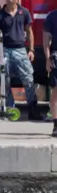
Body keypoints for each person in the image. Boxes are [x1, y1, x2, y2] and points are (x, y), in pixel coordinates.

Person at [0, 0, 41, 121]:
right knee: (6, 81)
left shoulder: (24, 12)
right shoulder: (0, 15)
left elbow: (29, 31)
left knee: (28, 79)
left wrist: (31, 50)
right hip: (6, 50)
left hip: (21, 50)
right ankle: (10, 109)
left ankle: (32, 110)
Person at [44, 9, 57, 137]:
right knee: (56, 91)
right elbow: (46, 40)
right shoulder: (52, 16)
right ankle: (56, 125)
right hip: (56, 56)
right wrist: (48, 59)